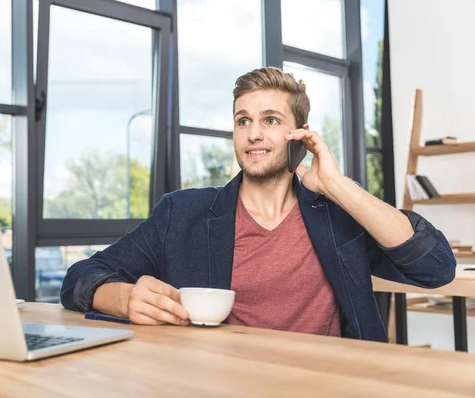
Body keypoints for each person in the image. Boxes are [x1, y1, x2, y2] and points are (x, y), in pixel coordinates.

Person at [61, 67, 456, 342]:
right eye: (242, 120)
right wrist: (124, 298)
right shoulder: (181, 213)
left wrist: (336, 185)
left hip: (329, 384)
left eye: (269, 120)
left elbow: (435, 267)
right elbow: (80, 277)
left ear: (298, 133)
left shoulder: (337, 215)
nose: (253, 133)